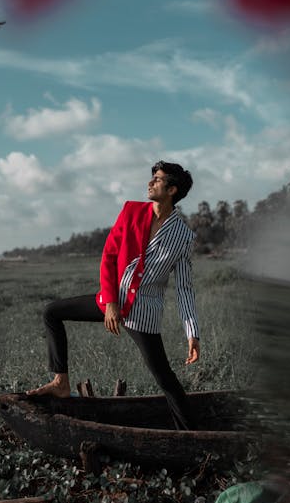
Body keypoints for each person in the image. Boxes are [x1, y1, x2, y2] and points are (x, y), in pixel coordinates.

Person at [27, 161, 200, 430]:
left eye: (157, 179)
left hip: (143, 314)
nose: (150, 182)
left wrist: (192, 333)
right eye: (151, 177)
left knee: (164, 377)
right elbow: (108, 256)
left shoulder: (183, 236)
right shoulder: (131, 211)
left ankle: (191, 435)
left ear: (172, 189)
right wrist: (110, 303)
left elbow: (185, 289)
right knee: (52, 311)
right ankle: (60, 382)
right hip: (112, 301)